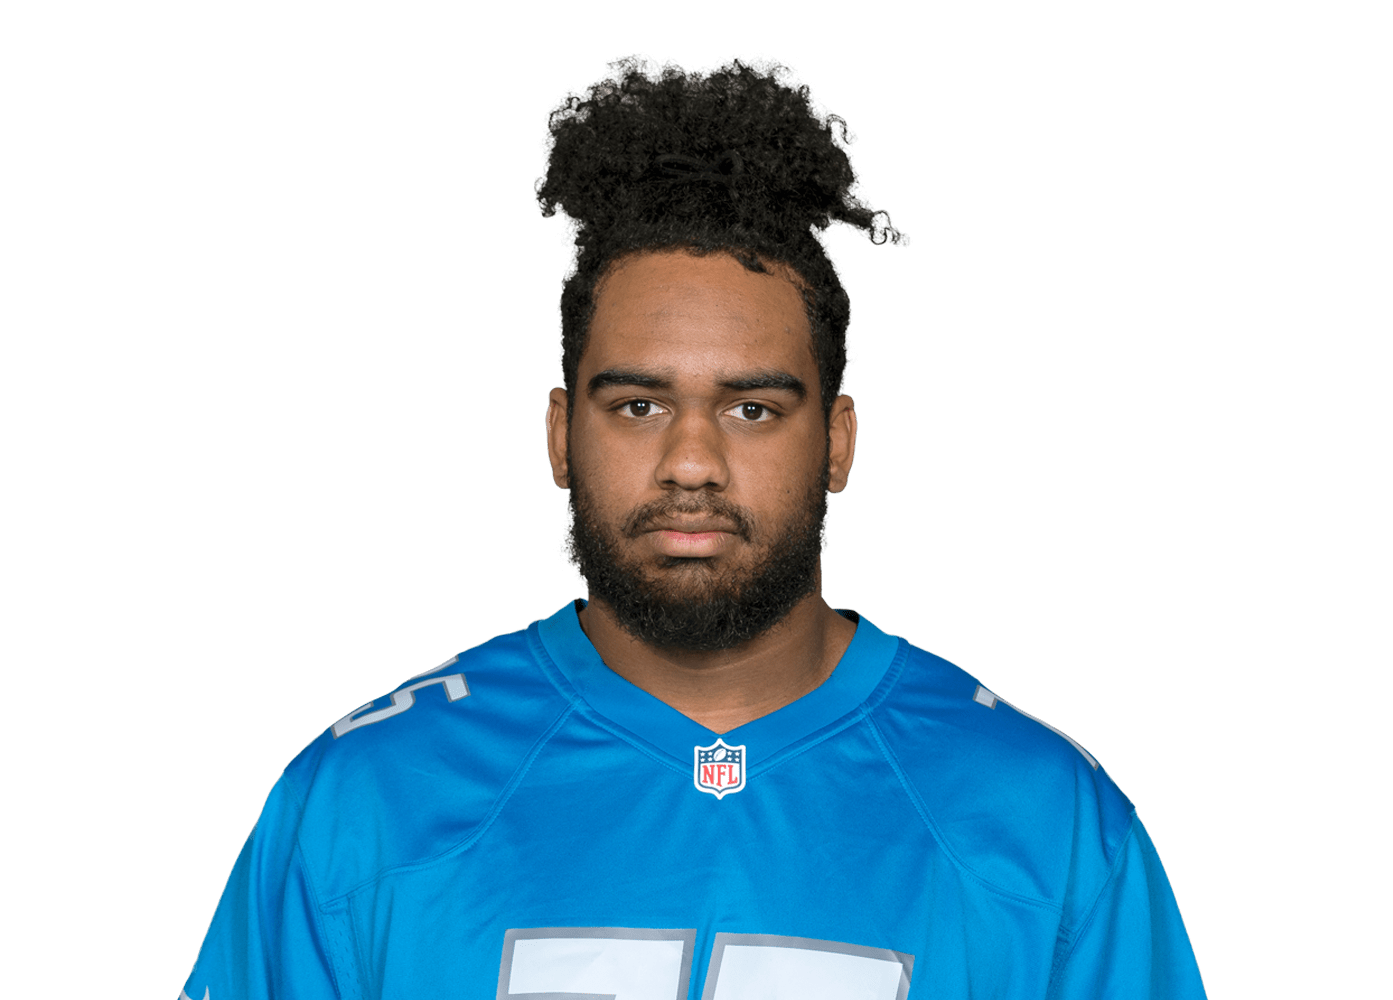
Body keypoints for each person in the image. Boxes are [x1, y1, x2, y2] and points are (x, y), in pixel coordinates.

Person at [180, 54, 1206, 999]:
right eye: (638, 405)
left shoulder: (1044, 821)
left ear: (837, 442)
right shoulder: (366, 803)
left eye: (751, 408)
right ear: (560, 435)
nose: (690, 461)